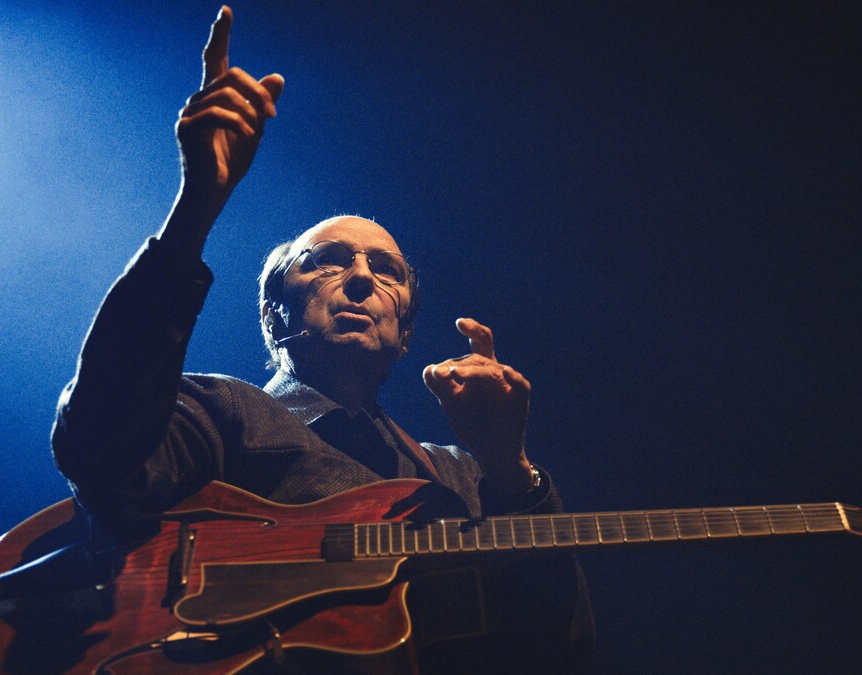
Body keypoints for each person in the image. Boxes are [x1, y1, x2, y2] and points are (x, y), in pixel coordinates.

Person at [51, 6, 593, 673]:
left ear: (405, 336)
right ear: (275, 315)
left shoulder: (459, 472)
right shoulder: (225, 411)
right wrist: (197, 206)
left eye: (385, 270)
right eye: (328, 260)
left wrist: (511, 467)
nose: (362, 278)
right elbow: (95, 448)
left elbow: (556, 649)